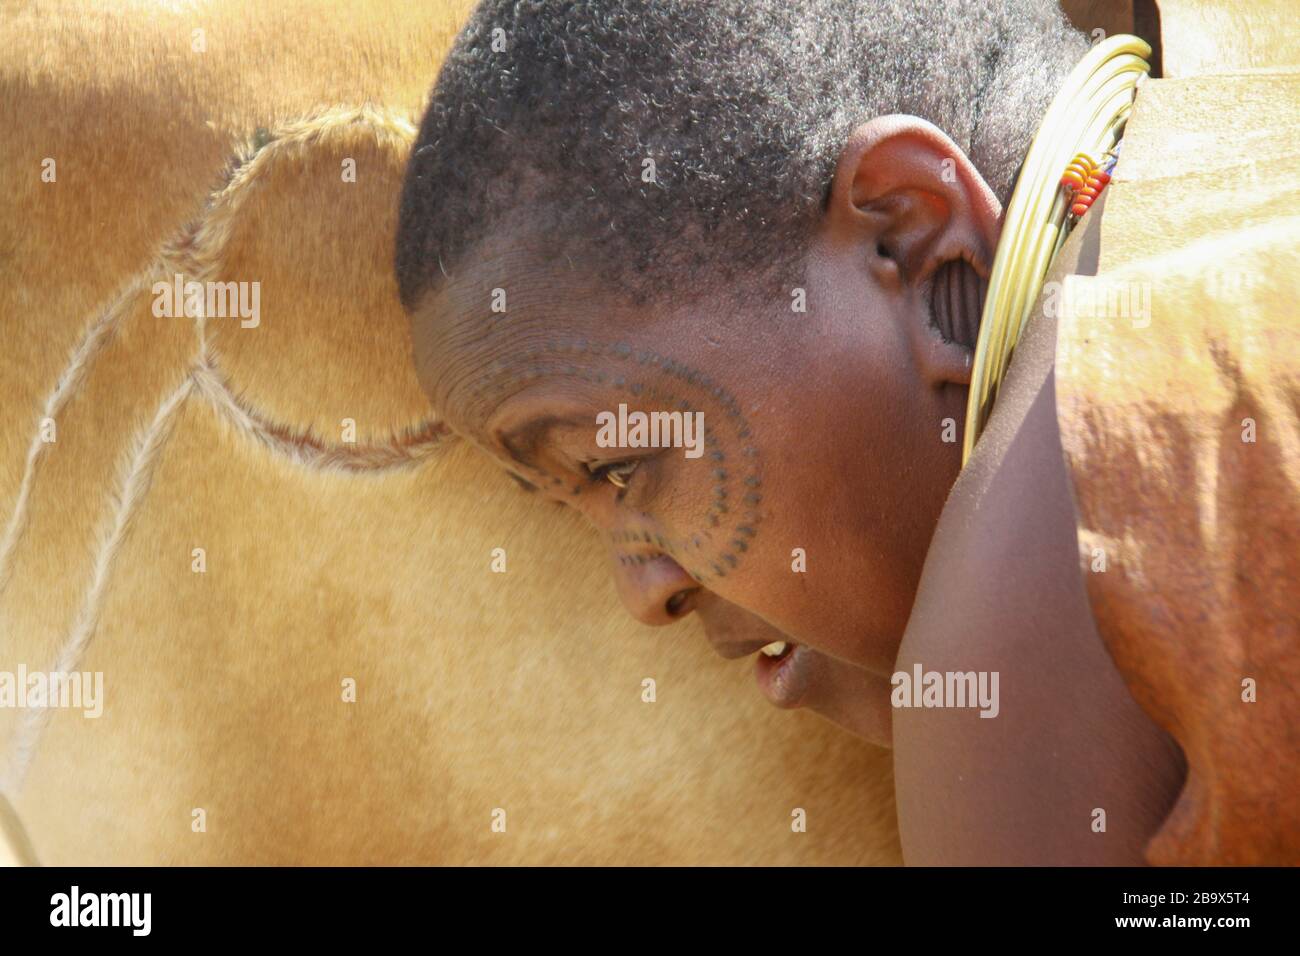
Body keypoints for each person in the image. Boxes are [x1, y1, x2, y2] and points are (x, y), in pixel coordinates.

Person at [395, 0, 1199, 863]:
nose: (644, 600)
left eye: (616, 465)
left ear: (915, 238)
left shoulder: (1012, 637)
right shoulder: (1235, 104)